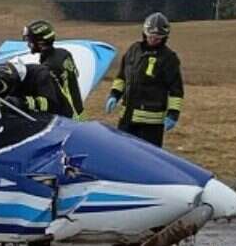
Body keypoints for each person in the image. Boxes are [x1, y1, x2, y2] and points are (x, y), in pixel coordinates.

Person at [103, 12, 184, 148]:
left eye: (158, 38)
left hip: (151, 124)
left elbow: (176, 90)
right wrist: (114, 95)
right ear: (144, 33)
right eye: (151, 36)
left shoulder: (169, 58)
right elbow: (122, 77)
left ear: (164, 38)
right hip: (127, 118)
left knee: (147, 159)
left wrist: (173, 114)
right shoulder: (133, 51)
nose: (153, 40)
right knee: (122, 153)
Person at [23, 20, 84, 119]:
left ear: (41, 43)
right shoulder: (64, 53)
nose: (28, 44)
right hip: (80, 112)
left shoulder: (48, 67)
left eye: (30, 41)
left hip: (69, 118)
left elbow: (51, 99)